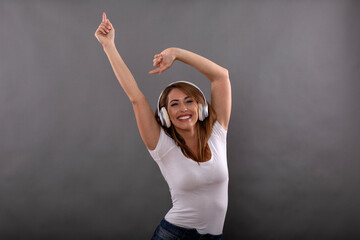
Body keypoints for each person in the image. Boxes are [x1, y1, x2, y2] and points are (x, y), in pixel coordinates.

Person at [95, 12, 231, 240]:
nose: (183, 109)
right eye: (174, 105)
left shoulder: (218, 133)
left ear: (201, 107)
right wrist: (109, 46)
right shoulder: (162, 146)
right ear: (166, 115)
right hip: (174, 235)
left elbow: (221, 77)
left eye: (189, 101)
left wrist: (177, 53)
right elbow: (136, 97)